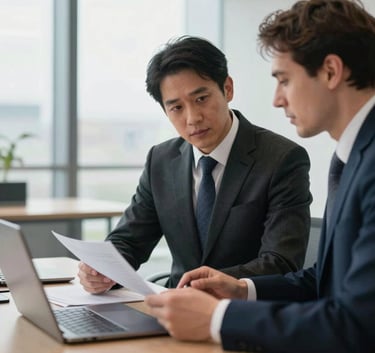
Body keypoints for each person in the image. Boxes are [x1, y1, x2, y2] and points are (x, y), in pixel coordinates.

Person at [145, 1, 375, 352]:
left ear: (330, 71)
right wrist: (242, 290)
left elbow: (357, 325)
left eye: (284, 80)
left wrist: (217, 319)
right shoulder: (354, 156)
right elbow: (324, 281)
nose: (277, 100)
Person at [78, 35, 312, 292]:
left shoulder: (281, 159)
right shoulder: (161, 160)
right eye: (176, 107)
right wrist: (101, 269)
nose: (193, 118)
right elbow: (129, 241)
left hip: (244, 316)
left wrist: (204, 287)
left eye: (201, 99)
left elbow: (281, 262)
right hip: (175, 310)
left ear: (228, 89)